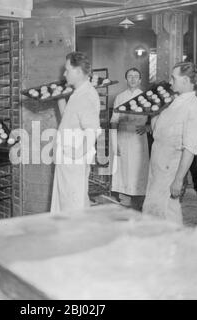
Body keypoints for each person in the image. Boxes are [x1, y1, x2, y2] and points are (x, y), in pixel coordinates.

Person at [142, 62, 197, 223]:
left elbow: (190, 149)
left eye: (173, 78)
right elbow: (156, 132)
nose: (170, 82)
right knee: (153, 210)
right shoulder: (173, 101)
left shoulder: (194, 107)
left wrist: (178, 179)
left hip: (171, 168)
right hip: (158, 164)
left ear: (185, 80)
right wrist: (155, 110)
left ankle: (172, 246)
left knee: (167, 212)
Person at [50, 52, 101, 213]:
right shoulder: (78, 93)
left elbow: (92, 131)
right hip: (67, 157)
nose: (64, 74)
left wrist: (76, 153)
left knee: (73, 204)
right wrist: (59, 99)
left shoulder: (86, 95)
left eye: (67, 70)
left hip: (74, 158)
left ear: (78, 71)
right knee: (66, 201)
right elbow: (69, 119)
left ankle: (75, 237)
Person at [110, 68, 149, 210]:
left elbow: (157, 116)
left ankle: (138, 199)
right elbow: (114, 120)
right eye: (130, 76)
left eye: (136, 77)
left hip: (138, 136)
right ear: (126, 79)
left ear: (140, 80)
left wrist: (148, 127)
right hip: (123, 135)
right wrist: (115, 142)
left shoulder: (146, 97)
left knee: (139, 167)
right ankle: (124, 198)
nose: (133, 79)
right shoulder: (120, 97)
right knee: (123, 167)